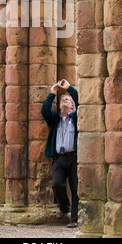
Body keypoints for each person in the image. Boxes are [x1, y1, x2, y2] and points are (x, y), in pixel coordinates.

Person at [41, 78, 79, 228]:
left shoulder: (76, 117)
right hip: (58, 158)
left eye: (67, 99)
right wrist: (52, 94)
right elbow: (44, 111)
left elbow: (82, 104)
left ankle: (74, 219)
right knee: (57, 184)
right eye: (62, 98)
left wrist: (69, 89)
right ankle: (64, 208)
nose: (64, 99)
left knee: (76, 188)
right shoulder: (55, 119)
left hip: (74, 157)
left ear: (72, 105)